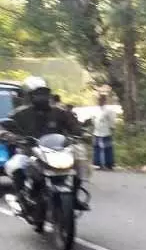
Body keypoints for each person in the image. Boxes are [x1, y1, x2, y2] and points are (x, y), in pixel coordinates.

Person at [0, 76, 90, 212]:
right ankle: (22, 199)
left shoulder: (60, 112)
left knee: (80, 163)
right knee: (16, 167)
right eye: (38, 93)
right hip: (29, 153)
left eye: (44, 93)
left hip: (57, 152)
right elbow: (3, 127)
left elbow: (75, 127)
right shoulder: (21, 113)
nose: (42, 97)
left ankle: (74, 197)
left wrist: (81, 134)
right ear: (30, 96)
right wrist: (10, 136)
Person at [91, 93, 117, 170]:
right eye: (99, 100)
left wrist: (112, 128)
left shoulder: (109, 110)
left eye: (101, 100)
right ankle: (98, 164)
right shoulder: (95, 110)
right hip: (97, 132)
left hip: (106, 131)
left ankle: (109, 164)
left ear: (105, 101)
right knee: (97, 148)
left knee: (107, 148)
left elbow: (112, 120)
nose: (100, 101)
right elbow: (93, 120)